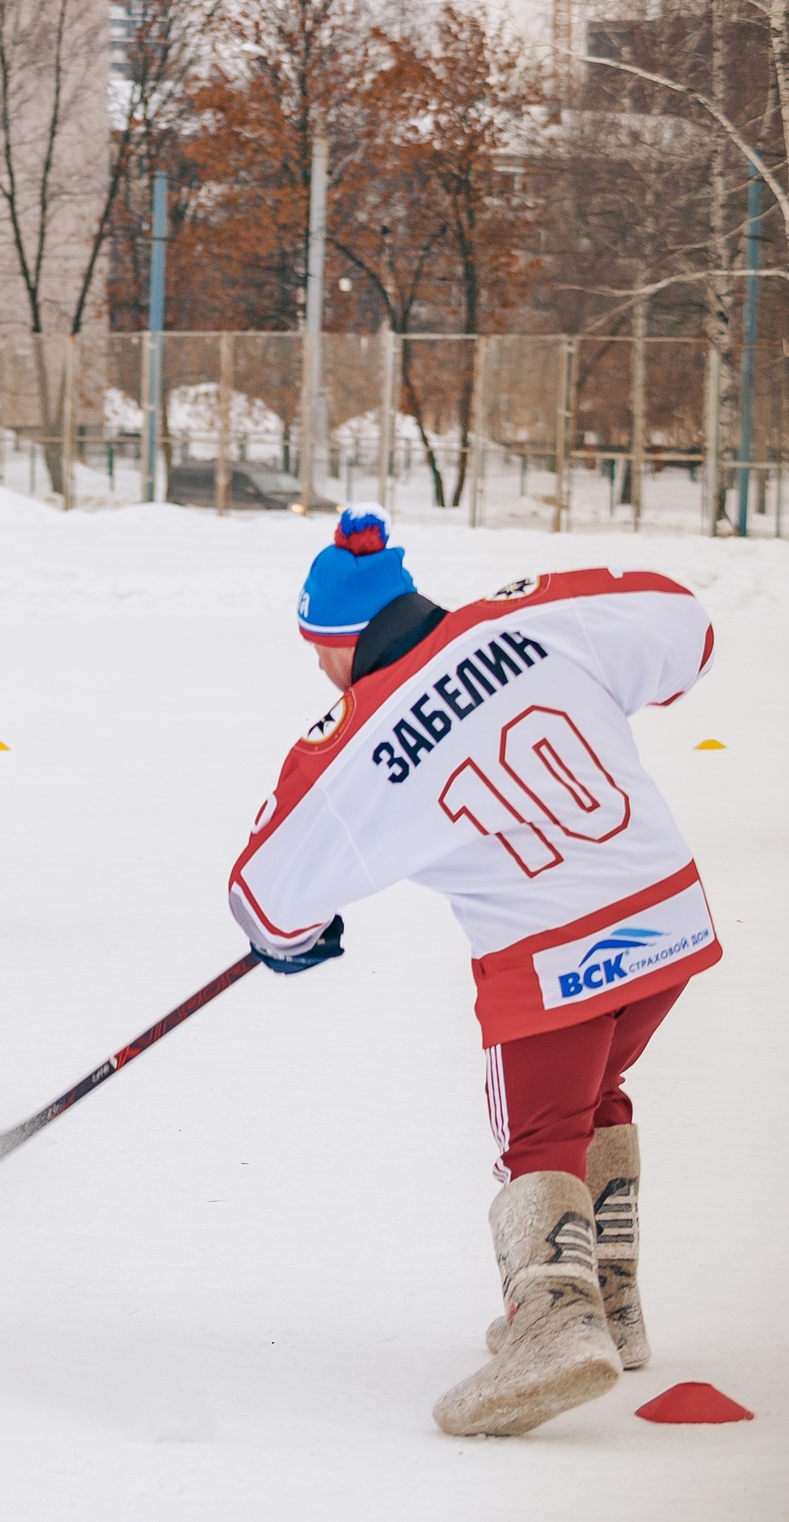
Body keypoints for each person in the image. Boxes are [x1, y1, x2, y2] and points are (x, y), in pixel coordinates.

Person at [228, 506, 720, 1437]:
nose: (323, 671)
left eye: (318, 652)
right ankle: (609, 1303)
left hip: (552, 963)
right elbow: (683, 625)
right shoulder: (533, 615)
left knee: (532, 1134)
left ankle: (553, 1321)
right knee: (600, 1088)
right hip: (667, 923)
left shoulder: (362, 737)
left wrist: (297, 933)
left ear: (340, 643)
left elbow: (264, 894)